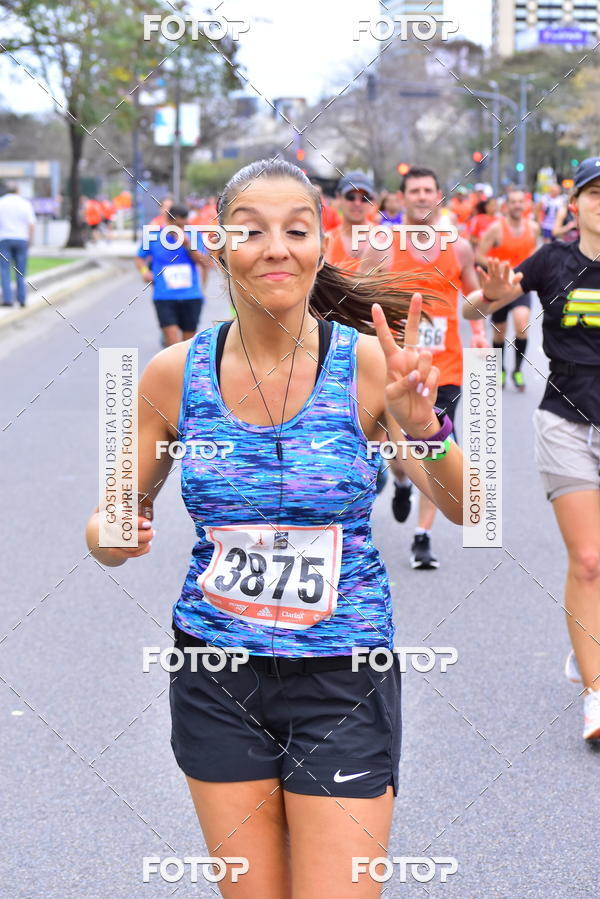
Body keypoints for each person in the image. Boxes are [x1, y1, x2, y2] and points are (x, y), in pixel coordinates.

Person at [86, 159, 465, 897]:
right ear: (220, 247)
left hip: (341, 672)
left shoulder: (366, 367)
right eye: (251, 230)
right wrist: (114, 532)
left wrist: (424, 429)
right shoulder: (170, 374)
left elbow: (471, 511)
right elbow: (105, 525)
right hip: (216, 676)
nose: (276, 247)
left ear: (322, 246)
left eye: (297, 229)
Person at [463, 157, 600, 742]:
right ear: (575, 204)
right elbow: (475, 308)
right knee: (590, 559)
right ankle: (597, 693)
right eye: (594, 193)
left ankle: (586, 647)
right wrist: (488, 299)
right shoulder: (553, 260)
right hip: (566, 422)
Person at [362, 165, 488, 569]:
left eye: (428, 190)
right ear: (401, 198)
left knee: (436, 447)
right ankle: (401, 481)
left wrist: (491, 299)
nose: (421, 196)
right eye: (413, 190)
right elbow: (359, 299)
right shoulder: (382, 245)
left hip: (444, 369)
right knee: (401, 455)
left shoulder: (460, 247)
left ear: (439, 196)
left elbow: (469, 304)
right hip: (397, 370)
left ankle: (423, 536)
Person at [476, 188, 540, 391]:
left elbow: (534, 252)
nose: (517, 205)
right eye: (513, 202)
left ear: (525, 205)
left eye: (521, 201)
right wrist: (500, 268)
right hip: (500, 287)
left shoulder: (533, 228)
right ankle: (500, 369)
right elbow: (479, 255)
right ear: (507, 206)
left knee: (522, 325)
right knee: (499, 332)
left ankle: (518, 370)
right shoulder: (496, 228)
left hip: (521, 286)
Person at [135, 203, 211, 346]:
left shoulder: (193, 235)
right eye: (177, 225)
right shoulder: (154, 236)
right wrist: (145, 272)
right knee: (172, 341)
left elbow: (205, 263)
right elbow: (139, 258)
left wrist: (188, 245)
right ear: (168, 221)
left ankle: (183, 368)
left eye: (183, 225)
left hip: (191, 295)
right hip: (164, 295)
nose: (180, 229)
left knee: (188, 344)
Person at [325, 171, 379, 271]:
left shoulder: (384, 238)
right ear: (338, 198)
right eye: (350, 197)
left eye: (364, 198)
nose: (357, 203)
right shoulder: (327, 242)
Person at [0, 184, 36, 307]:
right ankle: (21, 299)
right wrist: (30, 240)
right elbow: (31, 224)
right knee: (20, 271)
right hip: (21, 239)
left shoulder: (2, 202)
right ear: (18, 190)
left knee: (4, 270)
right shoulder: (25, 203)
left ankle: (8, 299)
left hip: (4, 239)